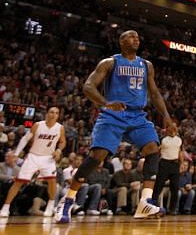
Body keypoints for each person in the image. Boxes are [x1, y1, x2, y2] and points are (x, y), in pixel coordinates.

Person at [54, 30, 173, 223]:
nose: (137, 39)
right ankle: (67, 200)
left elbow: (155, 92)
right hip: (113, 113)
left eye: (138, 37)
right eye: (131, 36)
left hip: (137, 115)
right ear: (121, 41)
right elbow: (88, 86)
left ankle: (145, 202)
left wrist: (166, 117)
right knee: (97, 156)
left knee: (153, 149)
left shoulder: (146, 65)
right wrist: (105, 103)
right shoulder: (110, 62)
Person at [0, 107, 65, 217]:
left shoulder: (60, 128)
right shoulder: (38, 125)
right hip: (33, 156)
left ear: (58, 115)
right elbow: (25, 139)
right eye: (52, 112)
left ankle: (50, 206)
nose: (54, 114)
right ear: (47, 113)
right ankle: (5, 208)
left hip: (48, 158)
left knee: (52, 181)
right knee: (18, 182)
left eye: (56, 113)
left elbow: (63, 142)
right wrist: (16, 154)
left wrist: (58, 150)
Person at [154, 121, 183, 214]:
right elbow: (157, 151)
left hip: (175, 164)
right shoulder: (162, 139)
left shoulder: (179, 139)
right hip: (164, 163)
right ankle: (153, 207)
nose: (173, 128)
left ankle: (172, 209)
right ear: (167, 129)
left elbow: (180, 152)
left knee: (175, 188)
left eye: (174, 127)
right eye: (171, 127)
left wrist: (181, 164)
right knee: (158, 186)